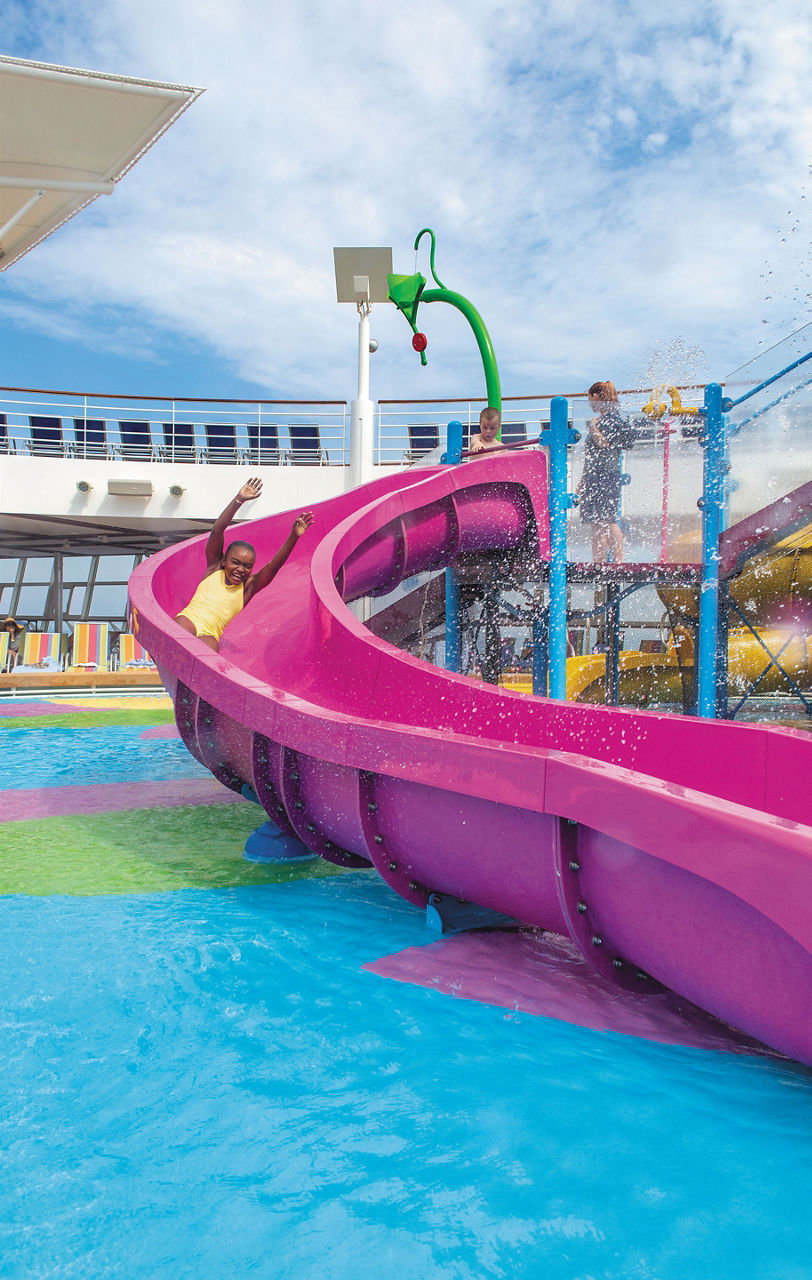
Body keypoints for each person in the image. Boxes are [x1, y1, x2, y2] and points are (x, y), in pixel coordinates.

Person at [175, 478, 313, 651]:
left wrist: (294, 536)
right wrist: (238, 500)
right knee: (178, 632)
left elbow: (273, 566)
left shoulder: (247, 588)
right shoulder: (214, 568)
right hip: (190, 619)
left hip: (210, 633)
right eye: (236, 562)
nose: (241, 569)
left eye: (247, 566)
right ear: (224, 561)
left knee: (208, 652)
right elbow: (217, 531)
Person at [577, 380, 630, 563]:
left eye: (590, 399)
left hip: (605, 476)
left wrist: (592, 427)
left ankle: (618, 561)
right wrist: (582, 481)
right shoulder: (612, 418)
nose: (590, 404)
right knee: (598, 521)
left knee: (607, 519)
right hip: (597, 476)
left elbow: (604, 445)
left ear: (597, 397)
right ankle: (599, 561)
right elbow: (593, 456)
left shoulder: (608, 420)